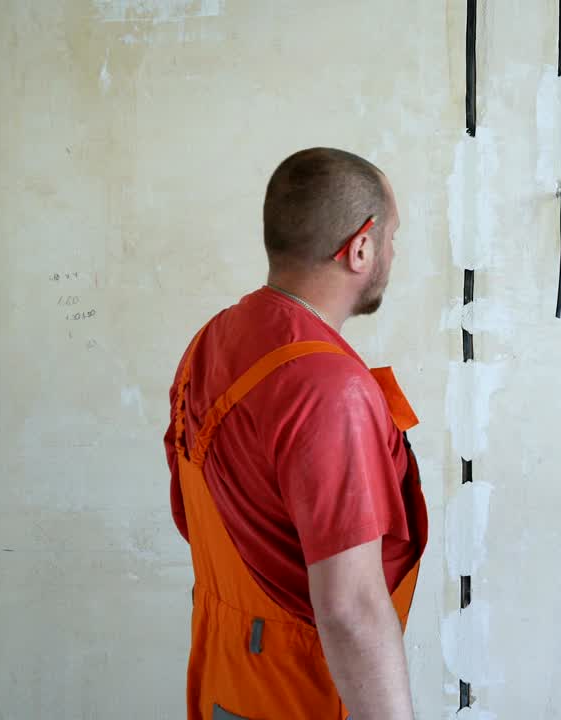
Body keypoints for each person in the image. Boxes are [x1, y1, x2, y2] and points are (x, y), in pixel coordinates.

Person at [163, 148, 427, 720]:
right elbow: (351, 607)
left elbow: (193, 516)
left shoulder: (212, 341)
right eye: (392, 238)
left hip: (225, 681)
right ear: (361, 247)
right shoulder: (329, 388)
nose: (393, 253)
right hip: (300, 694)